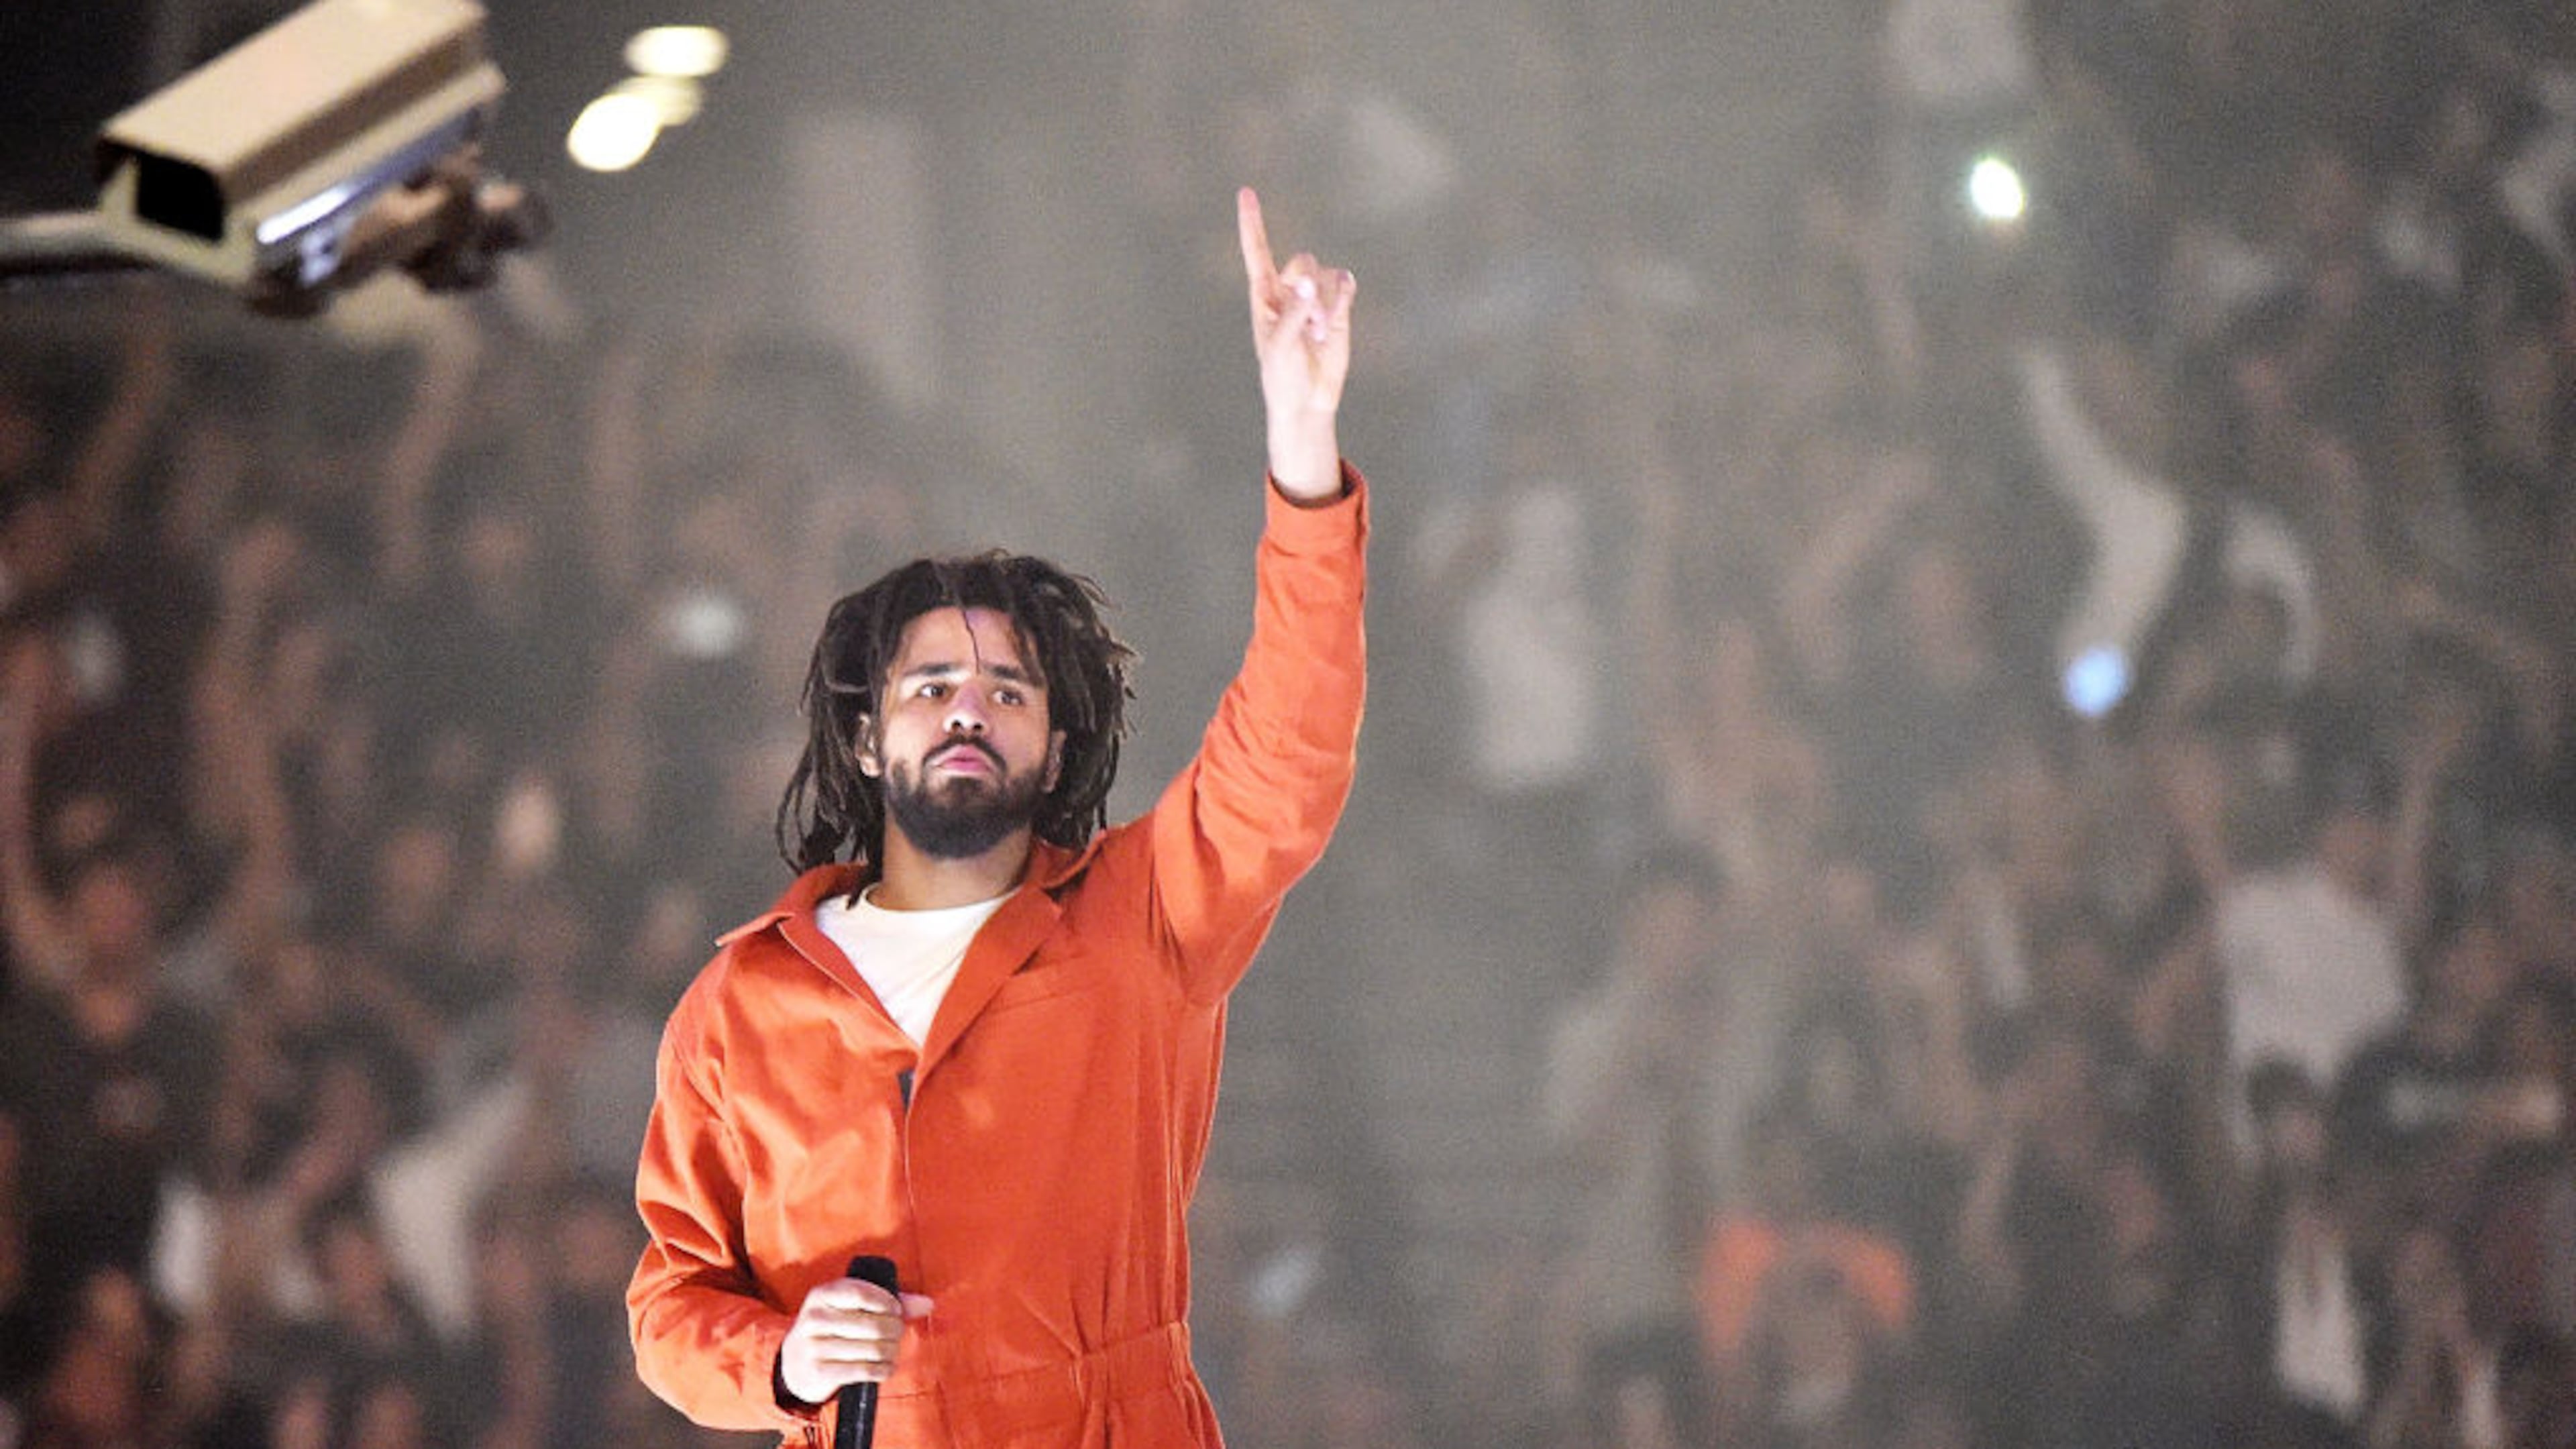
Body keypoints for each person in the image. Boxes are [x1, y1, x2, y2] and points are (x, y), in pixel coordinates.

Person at [625, 187, 1363, 1449]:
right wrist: (784, 1361)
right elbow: (670, 1305)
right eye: (929, 687)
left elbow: (1286, 754)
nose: (968, 710)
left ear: (1055, 739)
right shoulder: (742, 1007)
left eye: (1007, 690)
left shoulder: (1142, 923)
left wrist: (1302, 446)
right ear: (867, 737)